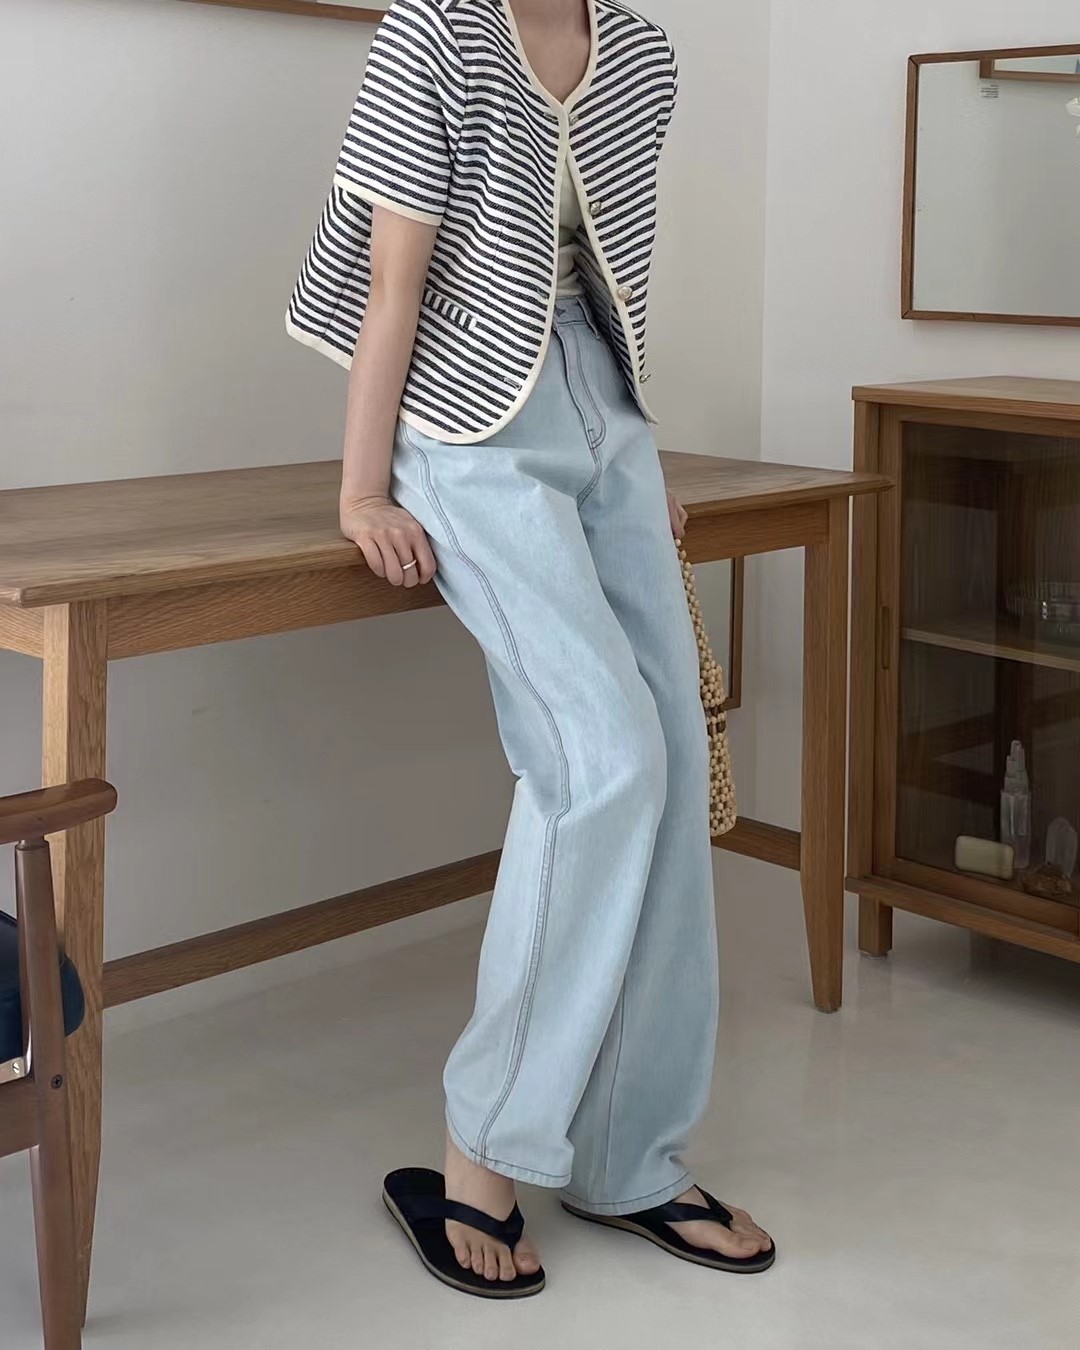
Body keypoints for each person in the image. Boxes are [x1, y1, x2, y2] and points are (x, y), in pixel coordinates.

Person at [288, 0, 773, 1299]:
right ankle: (485, 1147)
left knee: (675, 760)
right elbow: (395, 286)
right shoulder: (435, 35)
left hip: (606, 421)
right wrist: (362, 488)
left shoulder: (643, 52)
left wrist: (634, 453)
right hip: (464, 428)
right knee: (603, 757)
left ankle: (629, 1157)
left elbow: (605, 272)